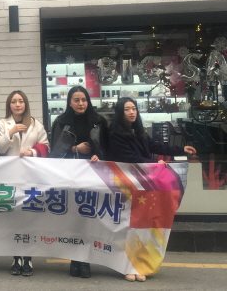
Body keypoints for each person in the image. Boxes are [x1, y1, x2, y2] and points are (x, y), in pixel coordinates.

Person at [107, 97, 196, 283]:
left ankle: (139, 264)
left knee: (143, 226)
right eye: (127, 109)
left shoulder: (138, 131)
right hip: (128, 185)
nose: (132, 112)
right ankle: (126, 266)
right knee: (127, 226)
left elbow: (156, 146)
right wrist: (154, 164)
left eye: (134, 108)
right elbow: (130, 158)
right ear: (120, 112)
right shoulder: (115, 134)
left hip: (145, 185)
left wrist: (181, 150)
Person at [49, 86, 107, 279]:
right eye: (76, 100)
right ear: (70, 102)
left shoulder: (99, 121)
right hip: (71, 175)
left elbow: (107, 148)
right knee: (74, 218)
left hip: (93, 175)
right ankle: (75, 259)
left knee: (89, 218)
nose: (81, 103)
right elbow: (55, 151)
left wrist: (99, 156)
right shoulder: (61, 122)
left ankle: (86, 259)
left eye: (84, 99)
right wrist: (75, 149)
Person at [0, 90, 49, 277]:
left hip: (31, 176)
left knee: (29, 216)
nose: (17, 105)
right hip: (10, 176)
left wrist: (31, 152)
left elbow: (45, 146)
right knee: (14, 217)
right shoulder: (3, 124)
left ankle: (28, 258)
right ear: (9, 105)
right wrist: (10, 132)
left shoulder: (35, 124)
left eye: (21, 101)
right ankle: (16, 257)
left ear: (25, 104)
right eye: (13, 102)